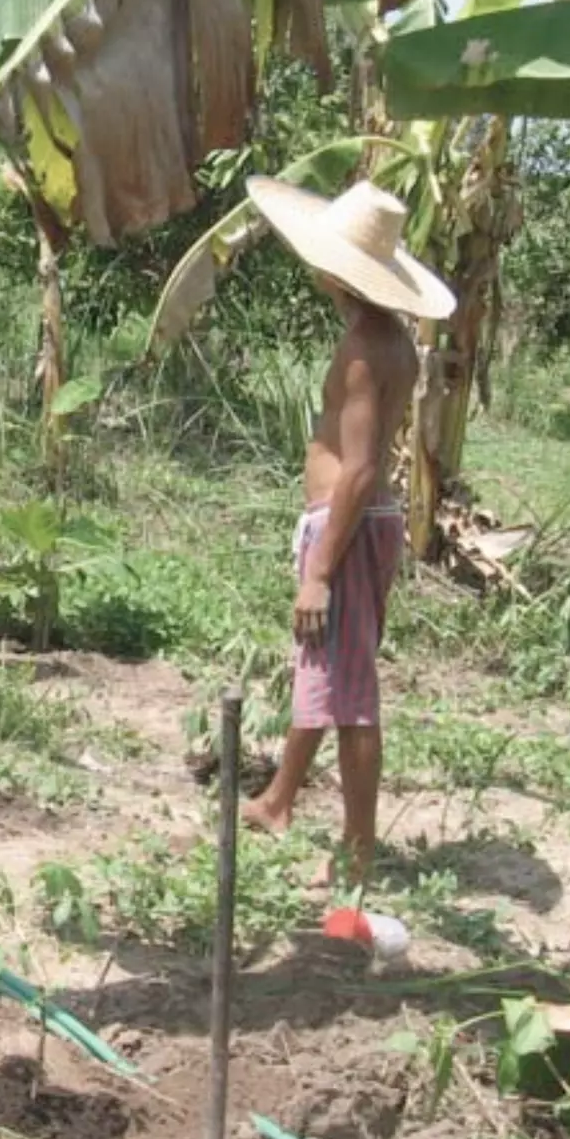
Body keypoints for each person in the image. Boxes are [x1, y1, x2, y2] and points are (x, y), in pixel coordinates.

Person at [237, 176, 456, 896]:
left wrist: (320, 572)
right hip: (356, 527)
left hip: (349, 530)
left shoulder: (365, 349)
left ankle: (358, 854)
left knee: (352, 694)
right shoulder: (392, 342)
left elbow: (359, 470)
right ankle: (278, 799)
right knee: (325, 668)